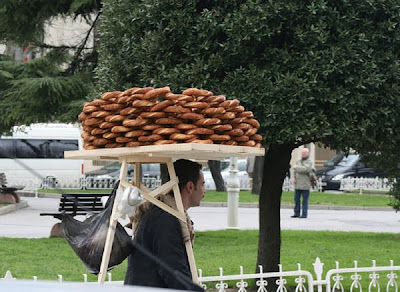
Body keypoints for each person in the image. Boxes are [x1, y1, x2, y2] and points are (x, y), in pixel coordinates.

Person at [124, 159, 205, 291]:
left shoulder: (166, 215)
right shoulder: (166, 219)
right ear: (190, 187)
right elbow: (173, 270)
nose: (204, 190)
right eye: (202, 184)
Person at [290, 148, 312, 218]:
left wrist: (296, 167)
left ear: (308, 153)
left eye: (305, 153)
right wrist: (293, 178)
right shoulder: (298, 161)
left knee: (305, 200)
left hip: (305, 184)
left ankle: (304, 214)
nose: (303, 154)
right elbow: (294, 171)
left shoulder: (309, 162)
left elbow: (306, 169)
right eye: (302, 153)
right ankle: (296, 213)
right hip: (297, 184)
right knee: (296, 200)